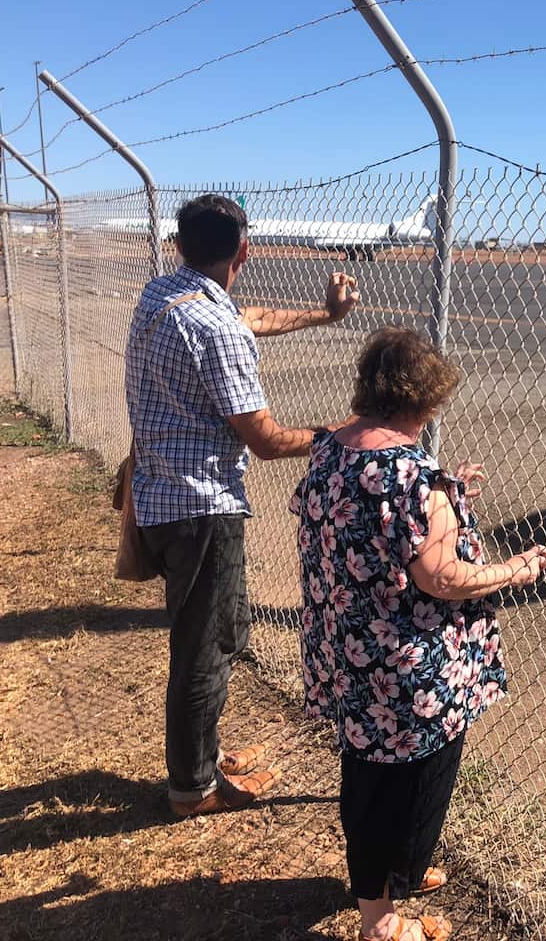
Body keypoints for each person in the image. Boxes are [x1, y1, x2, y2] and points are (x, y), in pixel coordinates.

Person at [291, 327, 546, 941]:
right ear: (425, 398)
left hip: (351, 655)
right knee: (410, 785)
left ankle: (394, 877)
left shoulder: (332, 450)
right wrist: (515, 569)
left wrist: (447, 497)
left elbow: (381, 526)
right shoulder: (412, 475)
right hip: (409, 672)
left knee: (367, 773)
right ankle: (382, 920)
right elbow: (439, 576)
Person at [125, 193, 360, 818]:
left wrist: (321, 317)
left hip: (161, 494)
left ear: (181, 246)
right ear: (245, 251)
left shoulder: (164, 296)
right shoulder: (218, 327)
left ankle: (203, 754)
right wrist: (337, 436)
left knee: (219, 631)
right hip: (202, 508)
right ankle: (192, 787)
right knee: (204, 647)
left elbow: (242, 315)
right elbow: (264, 438)